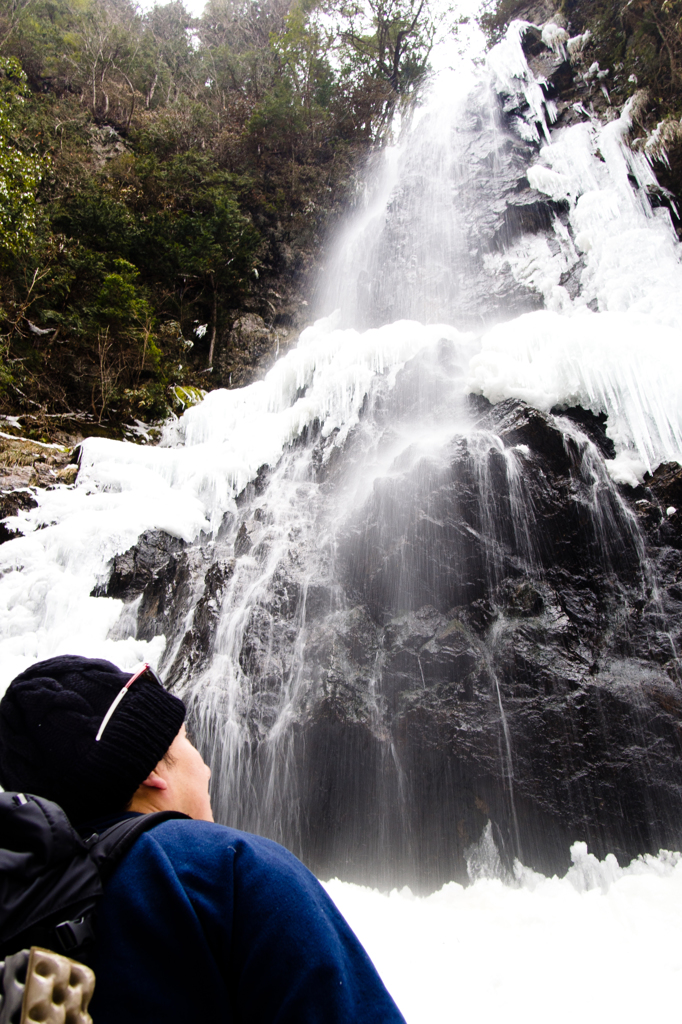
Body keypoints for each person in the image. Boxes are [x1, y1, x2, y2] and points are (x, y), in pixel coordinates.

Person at [0, 655, 406, 1023]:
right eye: (187, 738)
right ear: (149, 772)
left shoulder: (18, 906)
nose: (208, 767)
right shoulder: (234, 871)